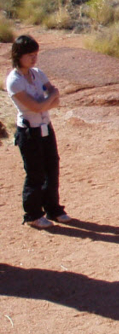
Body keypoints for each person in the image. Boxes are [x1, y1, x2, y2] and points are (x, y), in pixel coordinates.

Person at [7, 35, 66, 229]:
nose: (34, 59)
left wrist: (46, 102)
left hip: (45, 127)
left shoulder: (38, 73)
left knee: (52, 167)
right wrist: (48, 100)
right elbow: (36, 105)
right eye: (29, 55)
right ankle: (32, 214)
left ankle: (53, 208)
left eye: (35, 54)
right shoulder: (14, 81)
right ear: (18, 55)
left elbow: (54, 101)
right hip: (29, 132)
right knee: (35, 172)